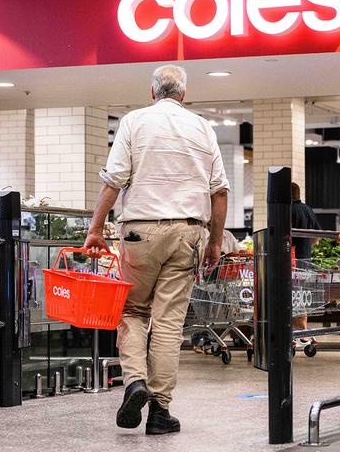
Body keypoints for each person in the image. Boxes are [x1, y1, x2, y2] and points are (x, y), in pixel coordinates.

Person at [84, 65, 229, 435]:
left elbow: (114, 180)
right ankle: (161, 412)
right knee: (168, 323)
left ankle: (135, 382)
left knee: (132, 309)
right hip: (188, 233)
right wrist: (215, 241)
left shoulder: (134, 122)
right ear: (183, 94)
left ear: (153, 92)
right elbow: (220, 191)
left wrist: (96, 227)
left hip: (140, 232)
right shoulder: (202, 127)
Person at [291, 182, 322, 346]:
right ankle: (302, 331)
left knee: (292, 296)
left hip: (291, 261)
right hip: (305, 260)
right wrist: (306, 247)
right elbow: (317, 236)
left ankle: (299, 331)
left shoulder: (287, 211)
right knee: (299, 295)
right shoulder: (308, 209)